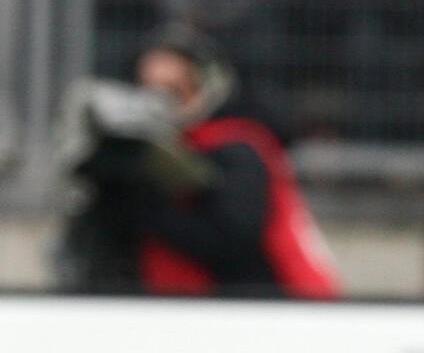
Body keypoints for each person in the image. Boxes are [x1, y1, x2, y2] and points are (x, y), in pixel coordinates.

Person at [54, 28, 340, 297]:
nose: (160, 103)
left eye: (175, 91)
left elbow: (230, 242)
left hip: (278, 311)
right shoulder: (136, 153)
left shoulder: (239, 146)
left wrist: (141, 208)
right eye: (148, 90)